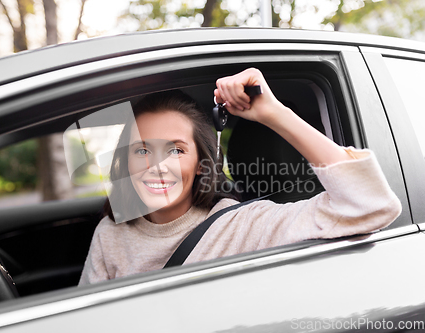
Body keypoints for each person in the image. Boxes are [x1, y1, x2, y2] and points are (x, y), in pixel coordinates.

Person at [78, 68, 401, 284]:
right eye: (142, 150)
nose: (157, 166)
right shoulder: (111, 234)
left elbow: (370, 206)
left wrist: (274, 114)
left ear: (203, 163)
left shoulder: (244, 223)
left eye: (176, 151)